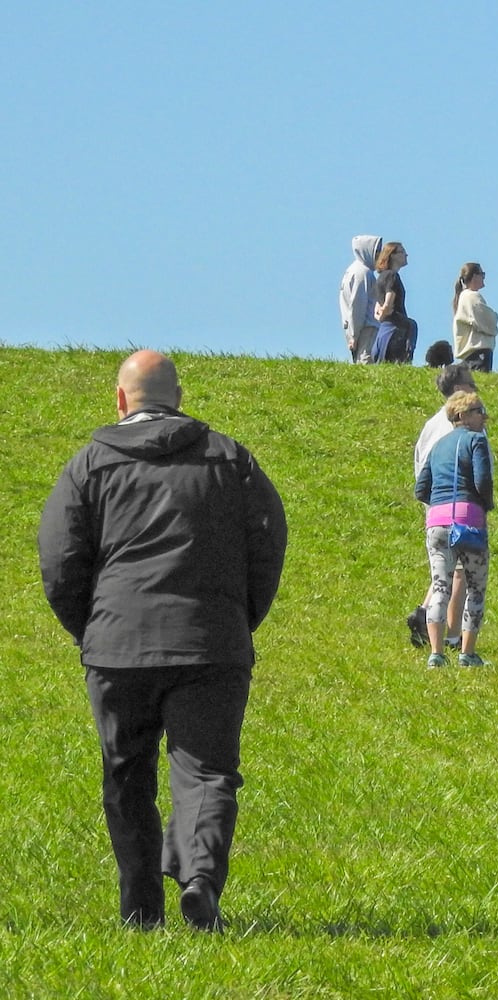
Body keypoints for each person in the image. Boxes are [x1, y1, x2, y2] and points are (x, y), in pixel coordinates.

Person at [38, 350, 287, 931]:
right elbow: (268, 543)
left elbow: (59, 560)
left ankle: (141, 909)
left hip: (118, 645)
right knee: (206, 771)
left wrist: (93, 626)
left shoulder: (89, 465)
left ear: (121, 400)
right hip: (210, 643)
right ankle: (200, 880)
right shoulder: (230, 459)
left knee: (126, 773)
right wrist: (240, 615)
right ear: (178, 397)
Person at [414, 390, 493, 668]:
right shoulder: (476, 441)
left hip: (436, 522)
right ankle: (467, 654)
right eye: (478, 411)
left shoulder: (438, 446)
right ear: (462, 415)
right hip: (468, 522)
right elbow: (483, 481)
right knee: (475, 588)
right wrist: (485, 505)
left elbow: (420, 489)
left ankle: (436, 654)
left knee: (439, 587)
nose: (484, 417)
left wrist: (440, 505)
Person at [408, 365, 480, 650]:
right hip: (458, 505)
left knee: (444, 568)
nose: (475, 391)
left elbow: (420, 467)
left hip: (434, 504)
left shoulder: (432, 424)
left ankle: (425, 614)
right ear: (459, 388)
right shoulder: (460, 427)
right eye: (471, 385)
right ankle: (450, 636)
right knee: (460, 569)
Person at [339, 235, 382, 363]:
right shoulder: (362, 273)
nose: (380, 255)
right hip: (367, 328)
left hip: (358, 328)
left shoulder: (353, 271)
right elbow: (358, 306)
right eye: (377, 251)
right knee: (365, 361)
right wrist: (354, 335)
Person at [372, 241, 415, 364]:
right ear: (392, 255)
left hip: (384, 329)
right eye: (402, 252)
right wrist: (385, 310)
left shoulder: (381, 277)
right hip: (396, 328)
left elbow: (377, 308)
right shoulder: (392, 276)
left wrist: (381, 316)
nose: (406, 255)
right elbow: (388, 302)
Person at [452, 262, 498, 373]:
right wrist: (495, 316)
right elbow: (487, 321)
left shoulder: (465, 297)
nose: (483, 278)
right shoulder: (471, 296)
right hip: (477, 352)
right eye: (482, 274)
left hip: (472, 355)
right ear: (474, 276)